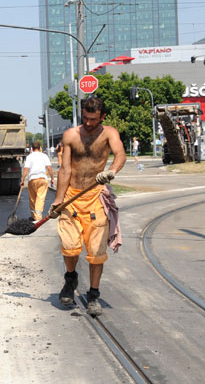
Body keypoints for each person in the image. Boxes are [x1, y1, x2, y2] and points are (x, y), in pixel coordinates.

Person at [51, 97, 125, 316]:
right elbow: (65, 170)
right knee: (69, 245)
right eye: (85, 118)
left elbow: (120, 154)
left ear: (102, 117)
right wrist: (58, 200)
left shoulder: (109, 133)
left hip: (95, 199)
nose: (89, 123)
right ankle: (70, 278)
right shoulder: (71, 136)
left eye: (93, 119)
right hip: (72, 197)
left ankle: (93, 295)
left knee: (95, 252)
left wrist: (112, 170)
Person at [20, 142, 54, 222]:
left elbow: (26, 169)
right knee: (40, 198)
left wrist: (22, 179)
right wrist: (52, 178)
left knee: (32, 198)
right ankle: (37, 217)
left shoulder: (29, 157)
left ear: (31, 148)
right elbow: (49, 168)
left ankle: (34, 216)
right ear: (40, 148)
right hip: (42, 179)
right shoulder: (44, 156)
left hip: (33, 179)